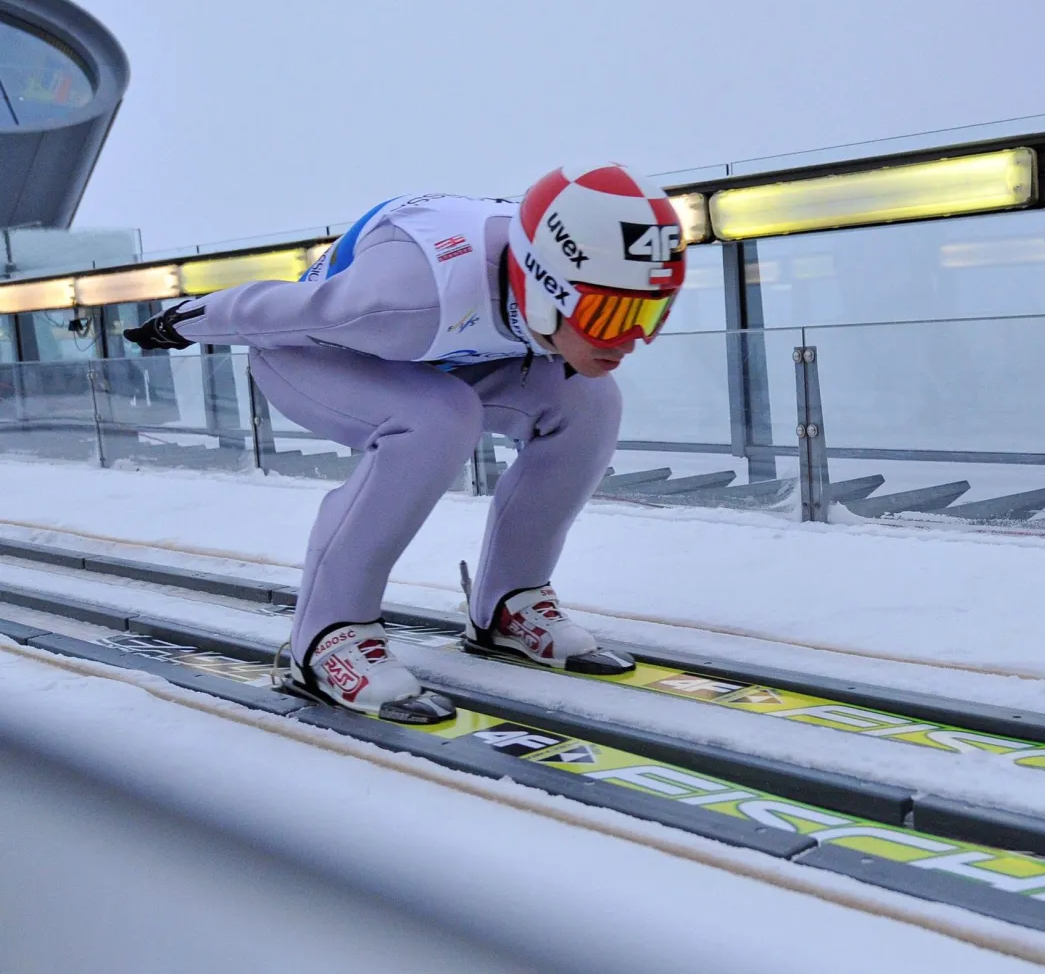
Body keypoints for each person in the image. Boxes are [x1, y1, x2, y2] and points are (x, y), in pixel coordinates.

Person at [124, 164, 687, 725]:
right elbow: (274, 312)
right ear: (542, 285)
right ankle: (329, 636)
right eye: (610, 315)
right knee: (438, 419)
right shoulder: (402, 297)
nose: (631, 341)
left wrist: (598, 319)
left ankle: (509, 604)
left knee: (592, 402)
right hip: (312, 352)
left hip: (439, 350)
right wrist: (177, 323)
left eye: (651, 313)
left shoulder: (549, 284)